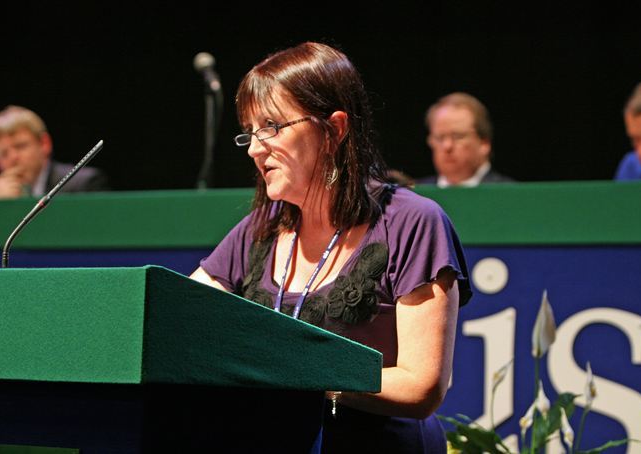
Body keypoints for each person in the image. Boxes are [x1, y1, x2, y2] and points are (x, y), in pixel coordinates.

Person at [189, 42, 471, 453]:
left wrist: (299, 378)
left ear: (334, 129)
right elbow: (181, 317)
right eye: (249, 131)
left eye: (271, 126)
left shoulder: (412, 222)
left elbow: (421, 385)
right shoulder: (258, 230)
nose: (254, 148)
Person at [0, 105, 110, 199]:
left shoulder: (84, 185)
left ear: (45, 144)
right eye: (3, 153)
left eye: (21, 146)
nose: (13, 157)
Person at [417, 92, 514, 187]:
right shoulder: (415, 194)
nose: (447, 146)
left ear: (484, 143)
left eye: (458, 136)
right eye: (439, 138)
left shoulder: (511, 195)